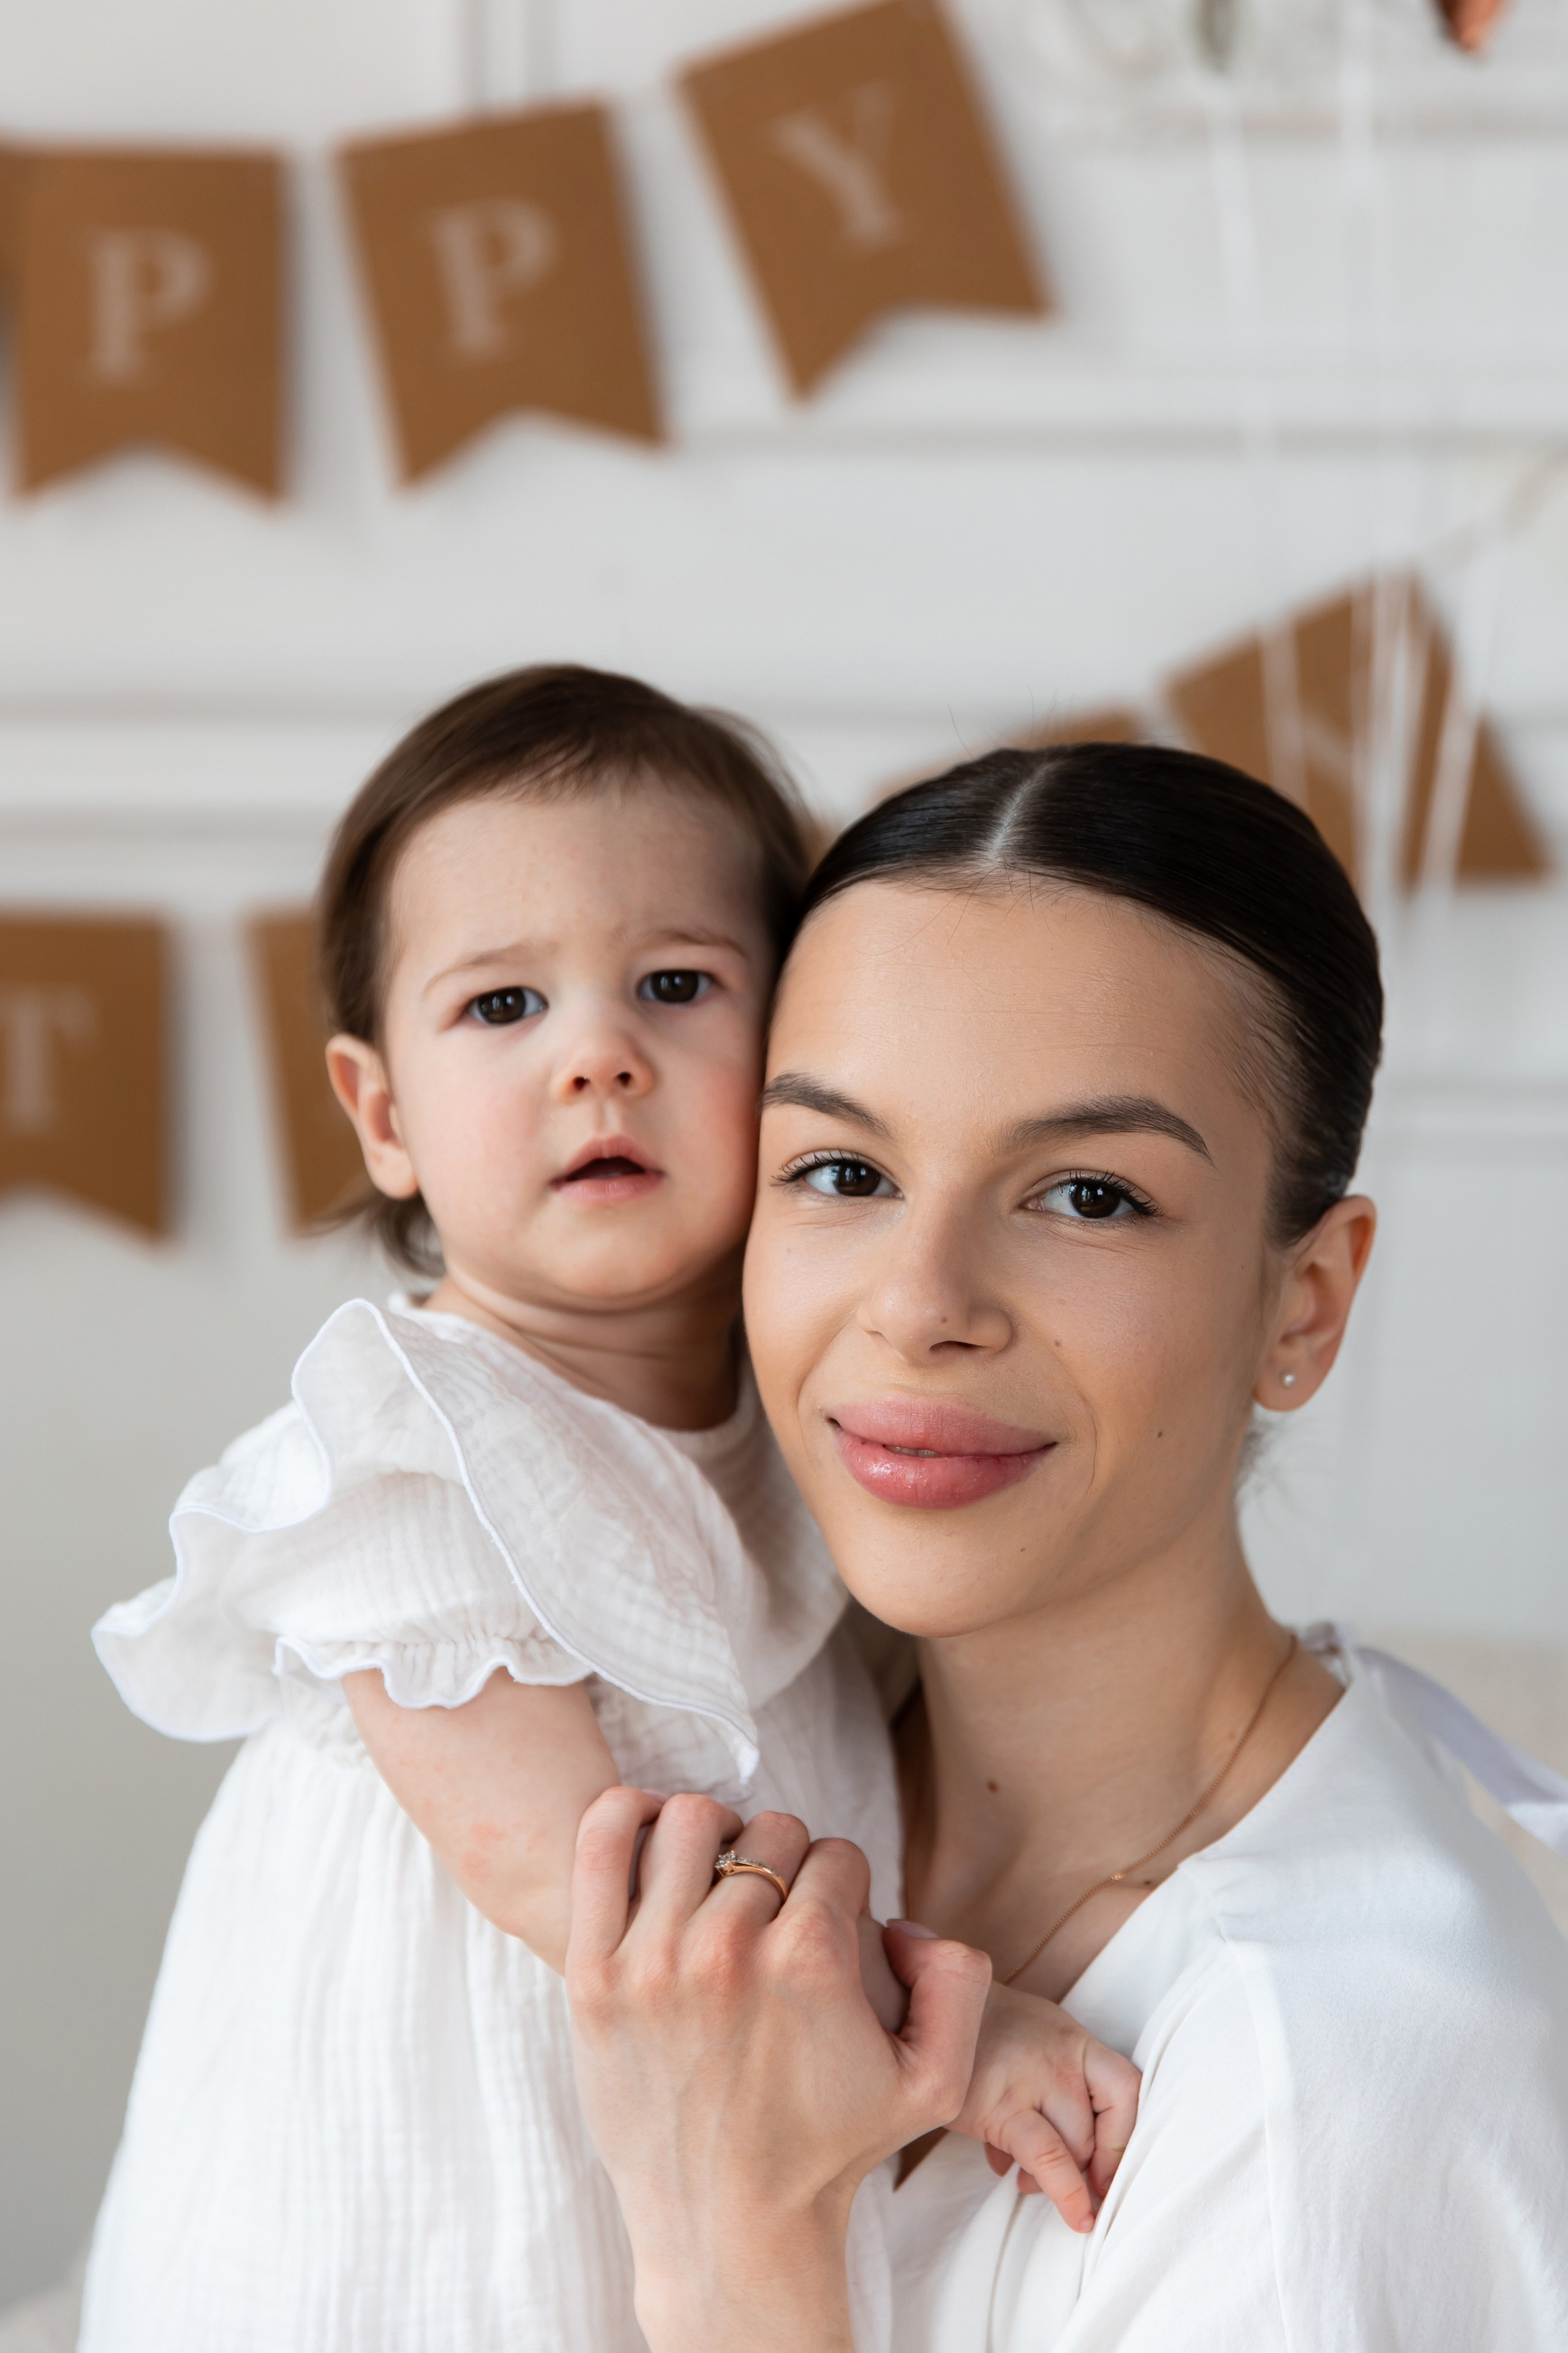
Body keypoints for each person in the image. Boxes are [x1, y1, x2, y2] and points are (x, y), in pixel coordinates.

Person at [79, 672, 1136, 2353]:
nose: (598, 1056)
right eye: (502, 1007)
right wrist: (962, 2015)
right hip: (404, 2210)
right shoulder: (411, 1454)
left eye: (675, 983)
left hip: (713, 2159)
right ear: (382, 1114)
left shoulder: (809, 1417)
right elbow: (579, 1876)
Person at [566, 742, 1568, 2353]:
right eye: (843, 1169)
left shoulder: (1323, 2081)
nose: (920, 1300)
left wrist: (733, 2241)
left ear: (1301, 1303)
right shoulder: (687, 1741)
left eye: (1089, 1194)